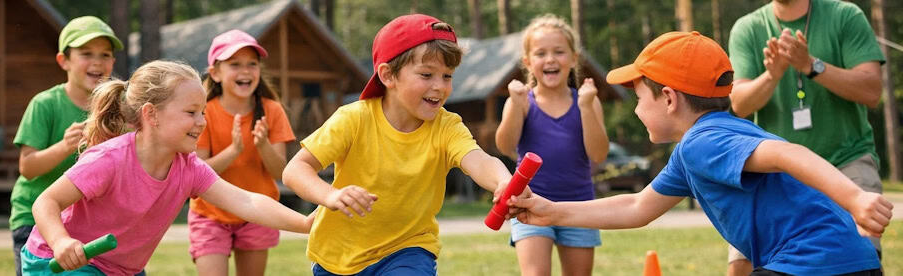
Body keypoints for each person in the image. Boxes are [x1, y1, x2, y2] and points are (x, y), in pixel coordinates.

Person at [507, 31, 893, 275]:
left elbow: (787, 153)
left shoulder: (703, 141)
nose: (637, 110)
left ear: (669, 99)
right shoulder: (698, 145)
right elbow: (637, 207)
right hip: (843, 260)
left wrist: (855, 198)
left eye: (639, 98)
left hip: (813, 262)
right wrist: (552, 211)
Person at [20, 60, 312, 276]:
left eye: (202, 112)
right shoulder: (110, 159)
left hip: (123, 269)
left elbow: (246, 201)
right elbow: (46, 202)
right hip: (60, 262)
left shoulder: (189, 168)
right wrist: (61, 242)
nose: (202, 122)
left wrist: (306, 224)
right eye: (191, 112)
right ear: (151, 115)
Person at [282, 14, 517, 275]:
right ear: (388, 75)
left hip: (408, 249)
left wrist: (503, 180)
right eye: (426, 74)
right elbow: (295, 170)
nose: (440, 86)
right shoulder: (354, 119)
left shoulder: (446, 126)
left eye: (447, 76)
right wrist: (330, 195)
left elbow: (479, 160)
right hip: (337, 255)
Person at [727, 0, 886, 273]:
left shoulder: (845, 15)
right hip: (777, 172)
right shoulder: (748, 28)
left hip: (846, 161)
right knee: (742, 262)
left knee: (859, 256)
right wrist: (771, 76)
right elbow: (740, 105)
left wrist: (811, 65)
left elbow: (871, 90)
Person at [494, 14, 608, 276]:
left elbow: (599, 154)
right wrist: (515, 105)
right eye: (541, 53)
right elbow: (505, 146)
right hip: (529, 202)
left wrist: (586, 107)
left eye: (559, 51)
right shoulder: (521, 101)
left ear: (574, 58)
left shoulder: (588, 101)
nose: (550, 59)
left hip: (579, 206)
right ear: (527, 62)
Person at [9, 16, 123, 276]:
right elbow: (27, 167)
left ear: (113, 62)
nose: (97, 62)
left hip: (89, 219)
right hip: (36, 217)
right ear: (64, 61)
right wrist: (65, 145)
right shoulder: (45, 104)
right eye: (86, 53)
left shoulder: (118, 110)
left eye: (105, 54)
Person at [187, 29, 296, 275]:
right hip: (210, 213)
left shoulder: (272, 110)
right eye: (235, 64)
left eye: (252, 64)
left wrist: (263, 145)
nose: (245, 71)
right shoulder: (203, 113)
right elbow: (197, 172)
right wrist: (233, 151)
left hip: (258, 214)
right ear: (215, 73)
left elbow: (281, 172)